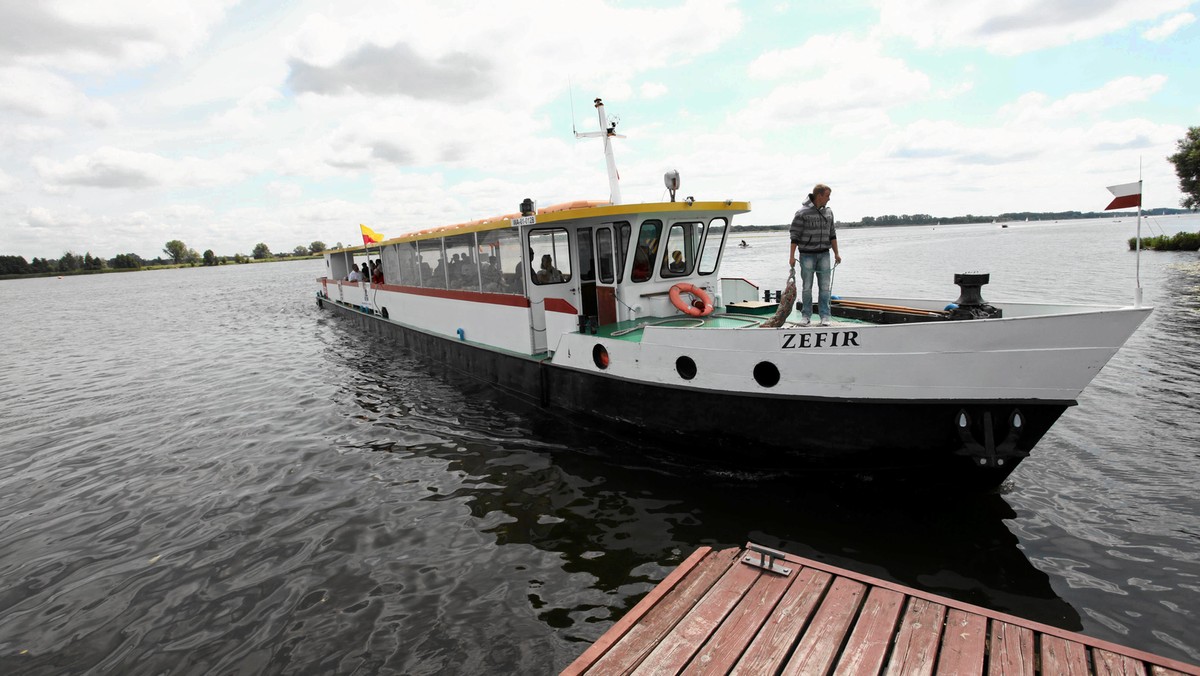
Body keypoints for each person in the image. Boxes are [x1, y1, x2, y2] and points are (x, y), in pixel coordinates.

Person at [788, 183, 841, 326]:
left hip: (824, 254)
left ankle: (825, 316)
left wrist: (836, 253)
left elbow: (833, 234)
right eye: (827, 196)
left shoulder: (829, 212)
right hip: (807, 255)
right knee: (807, 287)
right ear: (819, 196)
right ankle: (806, 316)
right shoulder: (802, 213)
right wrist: (791, 256)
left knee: (825, 287)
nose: (829, 199)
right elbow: (794, 236)